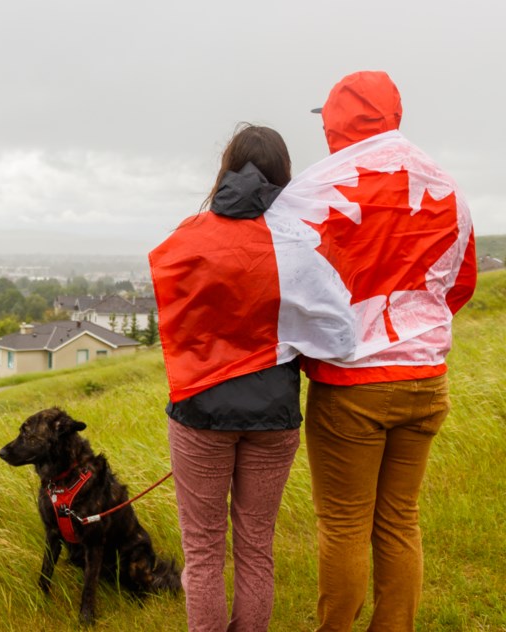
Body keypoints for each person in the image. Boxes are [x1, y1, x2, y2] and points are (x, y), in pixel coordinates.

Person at [302, 70, 476, 631]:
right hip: (427, 379)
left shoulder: (317, 188)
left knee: (345, 527)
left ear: (333, 121)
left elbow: (293, 288)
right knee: (400, 520)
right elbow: (461, 281)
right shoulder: (447, 185)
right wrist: (411, 328)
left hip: (351, 386)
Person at [149, 124, 302, 631]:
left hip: (202, 410)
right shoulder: (297, 241)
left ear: (226, 169)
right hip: (275, 411)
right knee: (257, 548)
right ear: (284, 175)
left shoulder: (189, 236)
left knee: (203, 551)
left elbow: (171, 310)